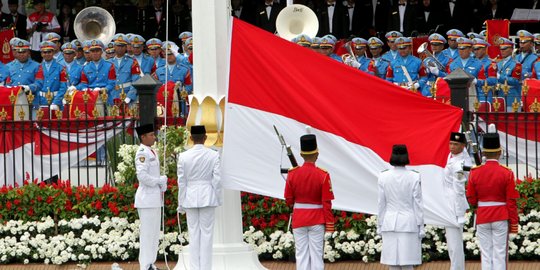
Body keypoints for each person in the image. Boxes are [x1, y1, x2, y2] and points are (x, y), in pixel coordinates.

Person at [466, 132, 519, 270]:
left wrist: (480, 205)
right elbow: (511, 200)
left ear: (483, 152)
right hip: (500, 215)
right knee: (500, 253)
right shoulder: (507, 172)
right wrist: (514, 223)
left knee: (486, 253)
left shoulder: (475, 172)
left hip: (483, 214)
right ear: (500, 152)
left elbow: (471, 198)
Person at [284, 134, 335, 270]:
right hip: (317, 218)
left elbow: (289, 200)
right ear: (317, 154)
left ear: (301, 154)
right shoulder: (323, 175)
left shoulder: (292, 174)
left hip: (299, 218)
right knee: (317, 255)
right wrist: (329, 224)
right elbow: (326, 202)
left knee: (301, 255)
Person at [176, 125, 222, 270]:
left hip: (190, 196)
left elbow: (181, 182)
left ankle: (195, 268)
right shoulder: (213, 155)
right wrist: (218, 198)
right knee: (207, 234)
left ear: (191, 138)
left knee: (193, 234)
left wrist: (181, 202)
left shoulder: (183, 156)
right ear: (205, 137)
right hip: (207, 195)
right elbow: (217, 180)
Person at [377, 144, 424, 270]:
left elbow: (381, 203)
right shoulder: (414, 176)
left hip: (389, 222)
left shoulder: (383, 176)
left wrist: (379, 224)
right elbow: (417, 203)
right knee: (407, 263)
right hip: (408, 222)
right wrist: (421, 225)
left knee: (393, 263)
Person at [134, 123, 168, 270]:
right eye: (151, 135)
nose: (154, 137)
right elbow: (142, 176)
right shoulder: (142, 152)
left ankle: (150, 263)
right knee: (147, 234)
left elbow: (152, 174)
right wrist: (158, 181)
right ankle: (145, 265)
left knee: (154, 234)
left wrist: (161, 184)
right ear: (143, 137)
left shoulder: (151, 151)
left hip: (154, 198)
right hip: (146, 199)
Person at [443, 132, 472, 270]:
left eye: (456, 144)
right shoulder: (451, 157)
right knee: (451, 243)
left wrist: (459, 211)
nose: (452, 147)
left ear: (463, 146)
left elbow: (459, 189)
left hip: (454, 204)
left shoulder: (462, 163)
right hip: (447, 202)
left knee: (454, 243)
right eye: (450, 143)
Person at [111, 33, 141, 106]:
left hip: (127, 95)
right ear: (114, 46)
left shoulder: (133, 62)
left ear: (126, 47)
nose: (120, 48)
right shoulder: (108, 62)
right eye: (118, 45)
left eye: (122, 46)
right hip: (112, 95)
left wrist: (129, 97)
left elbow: (136, 81)